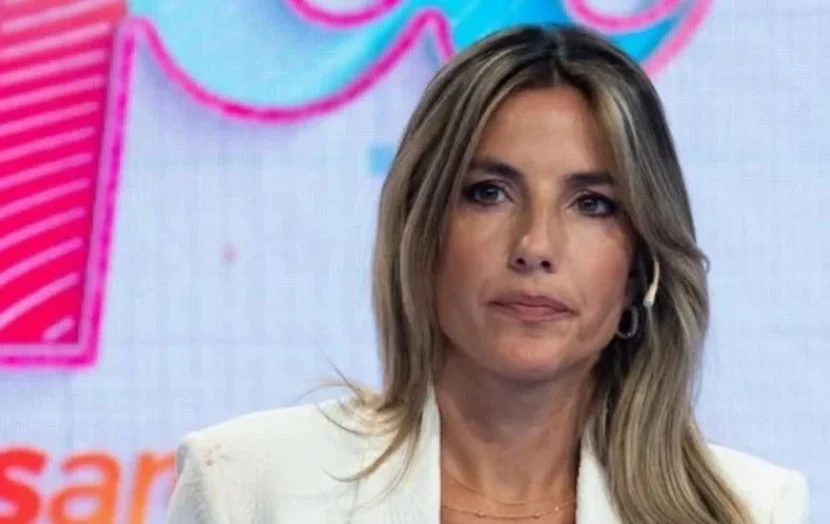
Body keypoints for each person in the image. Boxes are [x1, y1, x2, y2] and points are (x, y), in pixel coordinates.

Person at [165, 25, 808, 524]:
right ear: (422, 232)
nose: (535, 246)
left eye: (592, 204)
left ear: (640, 265)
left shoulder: (751, 509)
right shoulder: (250, 485)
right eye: (489, 193)